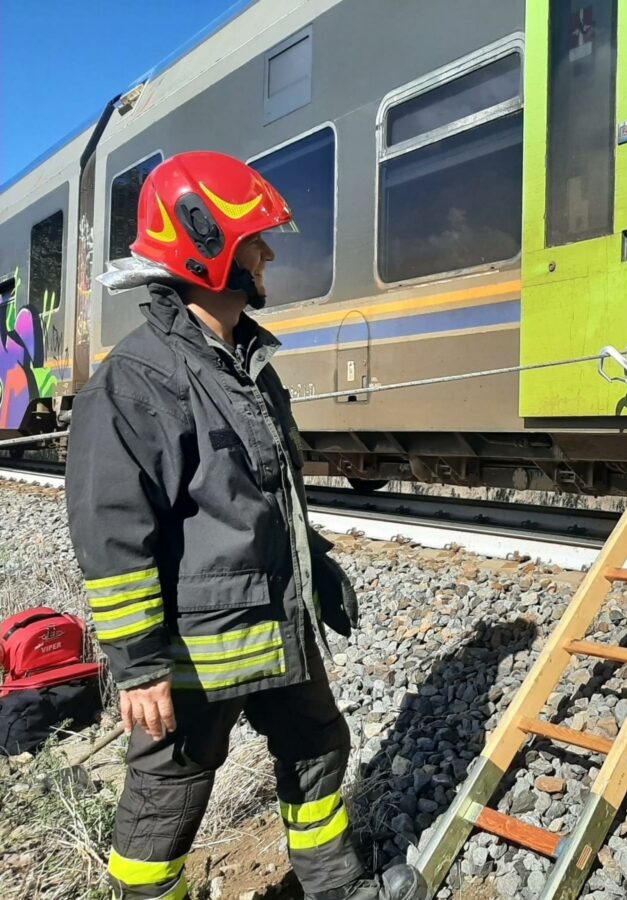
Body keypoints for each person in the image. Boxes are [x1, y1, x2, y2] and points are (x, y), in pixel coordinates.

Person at [66, 151, 421, 900]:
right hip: (200, 645)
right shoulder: (136, 381)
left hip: (276, 621)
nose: (267, 253)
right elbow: (112, 530)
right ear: (206, 243)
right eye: (255, 239)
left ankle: (335, 888)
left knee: (318, 747)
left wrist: (313, 568)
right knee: (168, 800)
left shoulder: (243, 360)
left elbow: (266, 494)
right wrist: (137, 665)